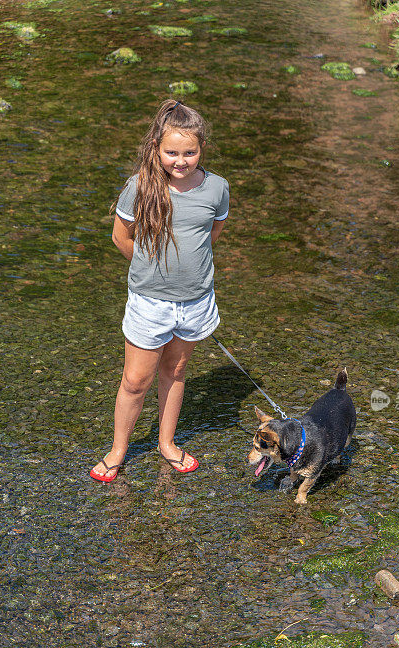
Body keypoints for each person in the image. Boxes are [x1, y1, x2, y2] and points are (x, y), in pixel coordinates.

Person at [90, 99, 229, 482]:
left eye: (190, 152)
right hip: (150, 301)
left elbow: (211, 234)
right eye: (172, 152)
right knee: (135, 380)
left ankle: (166, 443)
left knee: (177, 369)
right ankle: (119, 449)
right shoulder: (139, 187)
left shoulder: (217, 188)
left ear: (201, 149)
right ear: (157, 148)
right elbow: (121, 237)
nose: (180, 160)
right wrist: (152, 267)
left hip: (196, 300)